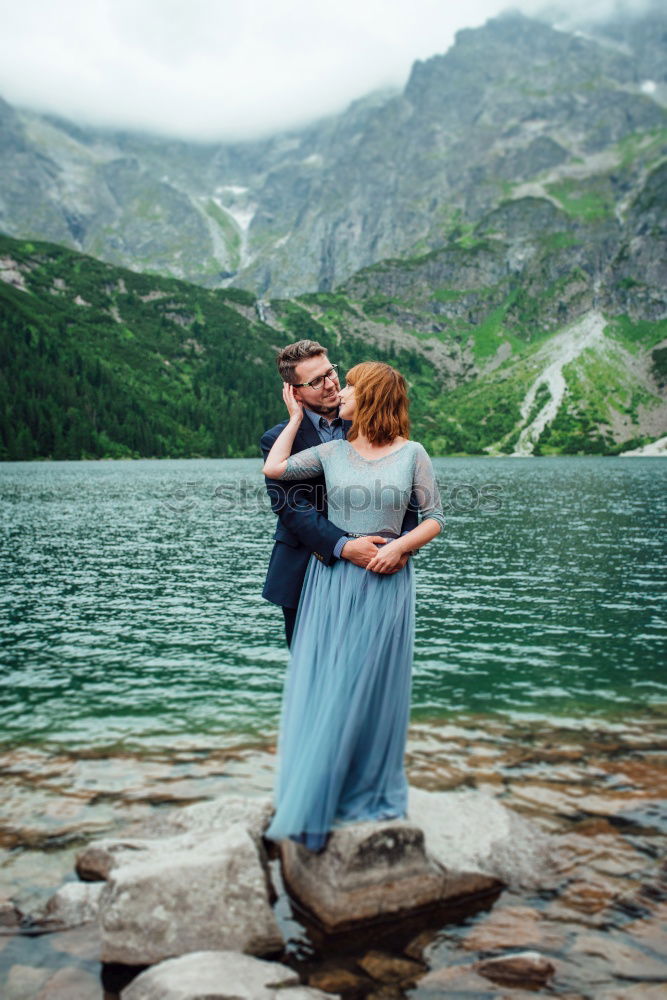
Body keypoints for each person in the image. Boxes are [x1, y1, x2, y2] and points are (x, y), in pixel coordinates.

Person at [262, 361, 446, 851]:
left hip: (388, 582)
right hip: (332, 583)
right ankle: (321, 793)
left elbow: (433, 518)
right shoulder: (331, 450)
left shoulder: (413, 454)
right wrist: (295, 417)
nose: (339, 391)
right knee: (334, 686)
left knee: (374, 687)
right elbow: (274, 470)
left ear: (373, 397)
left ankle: (367, 789)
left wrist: (400, 547)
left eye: (349, 386)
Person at [260, 341, 416, 647]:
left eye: (331, 372)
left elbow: (405, 494)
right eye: (316, 381)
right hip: (303, 570)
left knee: (369, 667)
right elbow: (291, 507)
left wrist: (402, 546)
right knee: (312, 672)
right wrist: (344, 546)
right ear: (295, 391)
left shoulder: (373, 425)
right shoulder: (277, 440)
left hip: (376, 567)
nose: (331, 384)